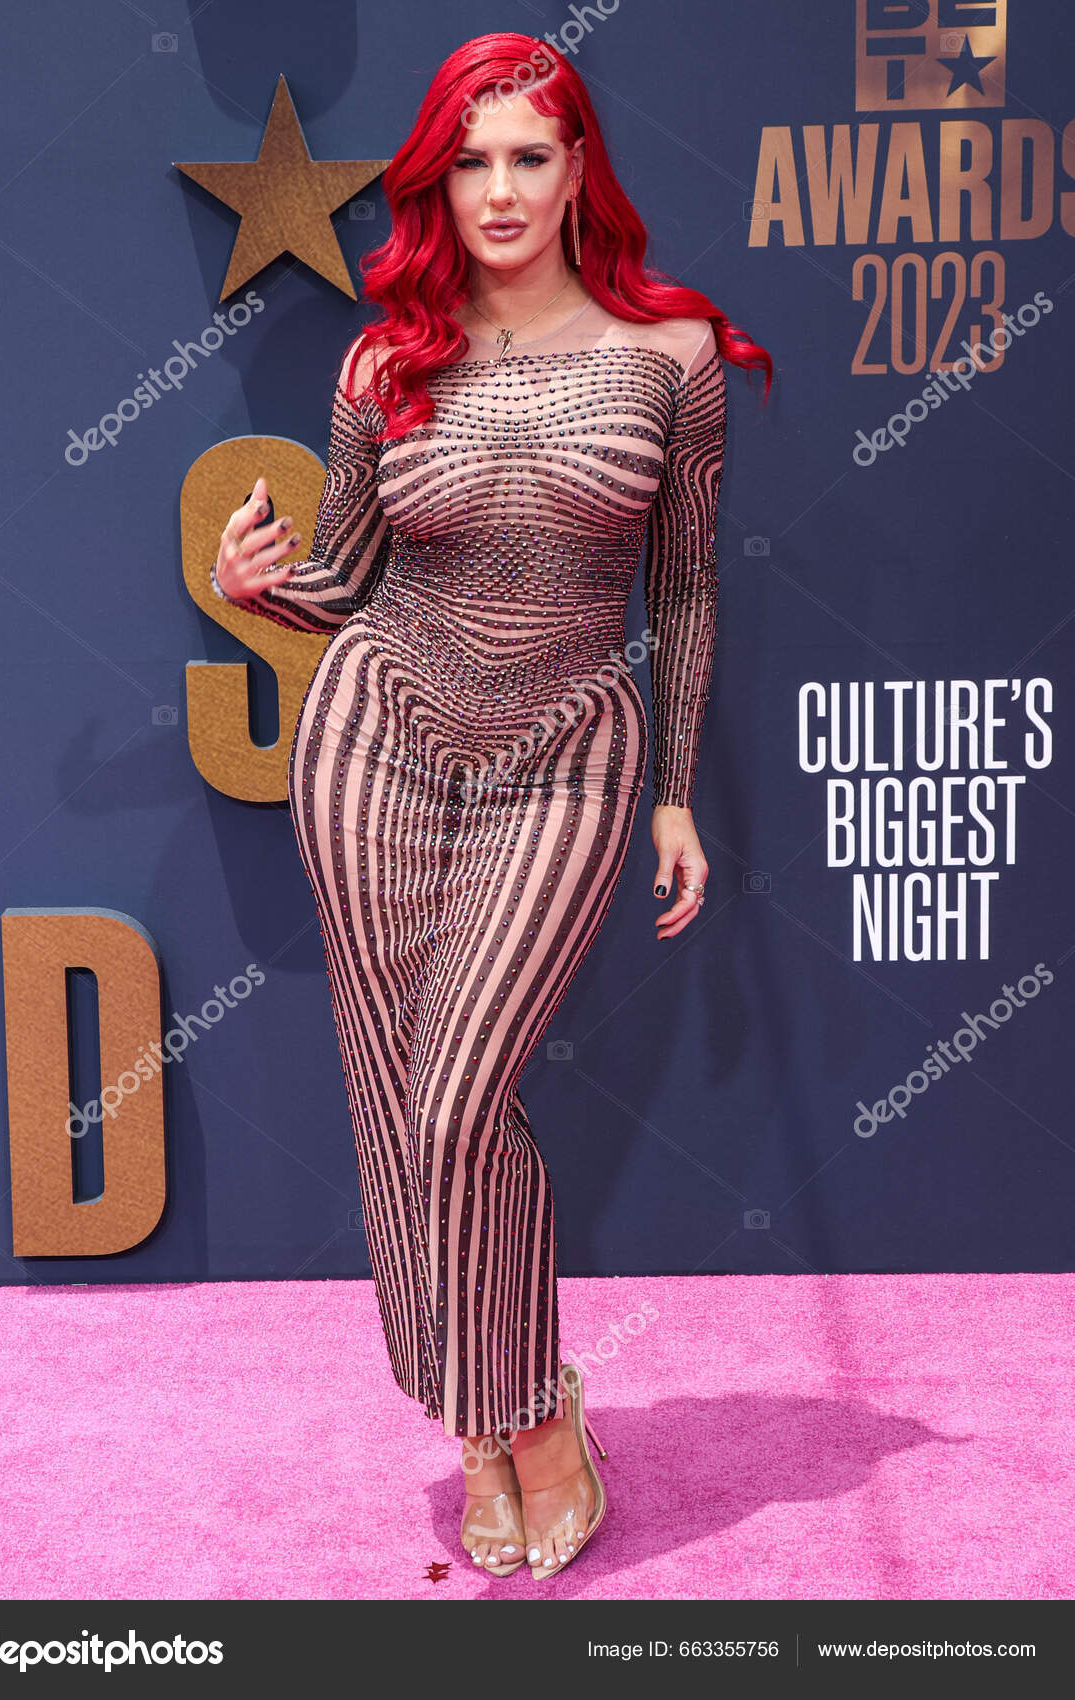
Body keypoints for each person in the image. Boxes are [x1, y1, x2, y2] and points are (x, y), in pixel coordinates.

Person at [211, 32, 772, 1582]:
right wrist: (255, 589)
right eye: (471, 162)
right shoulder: (382, 364)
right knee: (396, 1101)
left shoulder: (671, 358)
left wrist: (675, 794)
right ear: (438, 185)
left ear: (580, 168)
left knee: (461, 1097)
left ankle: (529, 1410)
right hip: (374, 742)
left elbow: (685, 590)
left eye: (530, 155)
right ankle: (488, 1418)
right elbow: (346, 580)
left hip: (570, 749)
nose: (501, 189)